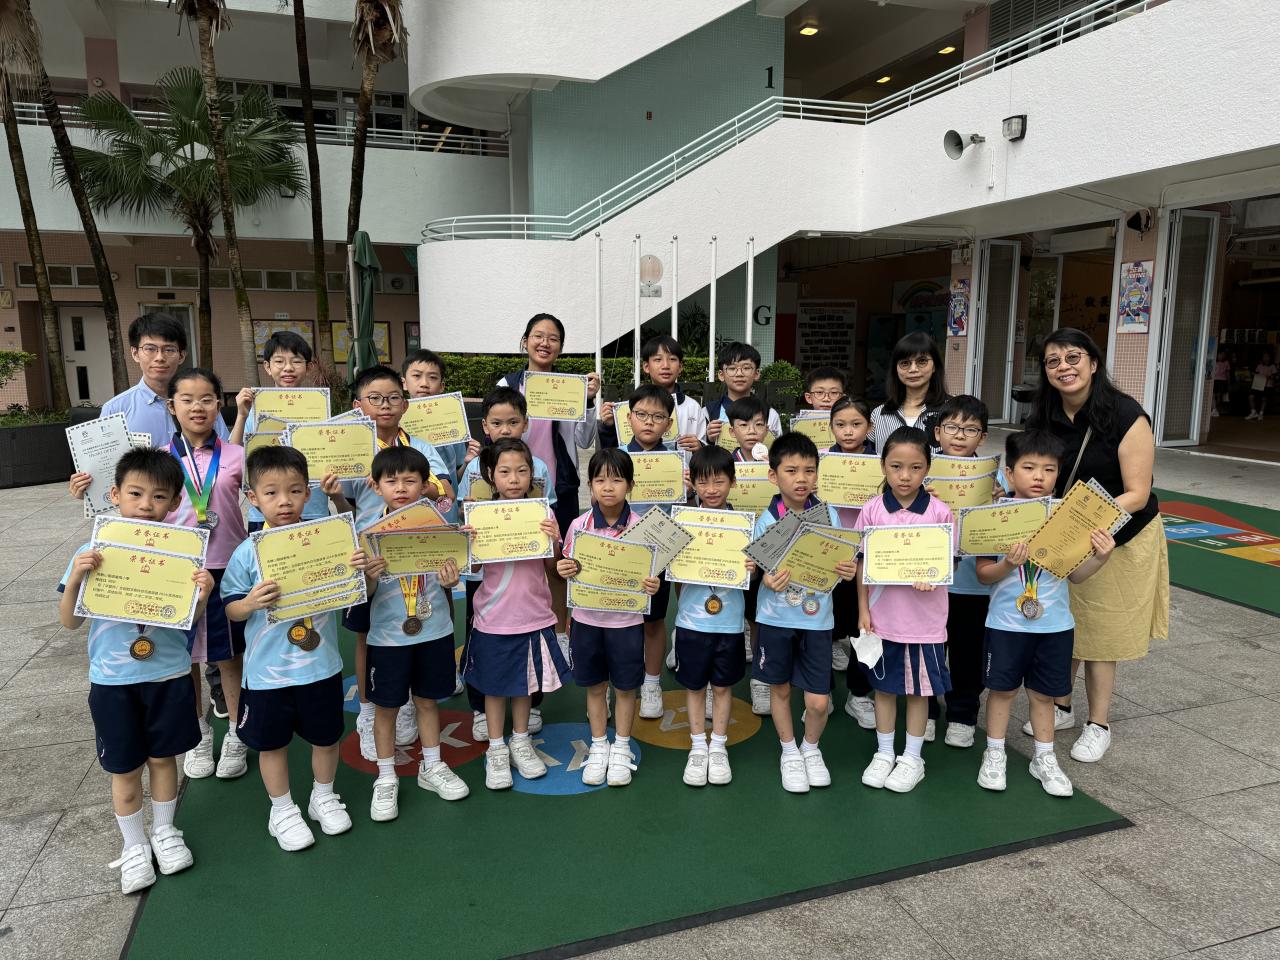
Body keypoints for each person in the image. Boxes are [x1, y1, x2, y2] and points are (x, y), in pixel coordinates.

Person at [58, 449, 215, 894]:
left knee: (164, 759)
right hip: (113, 681)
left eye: (159, 496)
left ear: (175, 503)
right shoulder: (93, 550)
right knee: (125, 769)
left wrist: (203, 594)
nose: (147, 504)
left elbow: (188, 621)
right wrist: (77, 578)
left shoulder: (184, 553)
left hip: (168, 674)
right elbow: (69, 622)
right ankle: (133, 845)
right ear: (115, 494)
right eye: (135, 493)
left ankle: (165, 831)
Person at [1025, 329, 1167, 764]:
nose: (1064, 367)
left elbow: (1137, 493)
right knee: (1063, 622)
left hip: (1119, 537)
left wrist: (1081, 522)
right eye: (1053, 361)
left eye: (1073, 357)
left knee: (1101, 633)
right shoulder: (1043, 414)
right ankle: (1062, 706)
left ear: (1093, 363)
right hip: (1065, 536)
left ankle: (1098, 724)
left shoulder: (1126, 414)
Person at [222, 446, 368, 851]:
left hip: (320, 666)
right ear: (253, 498)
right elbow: (230, 609)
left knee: (326, 737)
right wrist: (250, 603)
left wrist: (358, 573)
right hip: (267, 674)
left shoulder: (327, 540)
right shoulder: (248, 550)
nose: (284, 501)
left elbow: (357, 591)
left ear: (308, 493)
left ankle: (324, 796)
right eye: (271, 493)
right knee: (272, 744)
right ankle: (282, 809)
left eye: (294, 491)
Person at [976, 430, 1115, 797]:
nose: (1039, 476)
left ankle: (1044, 758)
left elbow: (1077, 576)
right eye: (1029, 467)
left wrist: (1101, 557)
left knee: (1043, 696)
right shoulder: (995, 516)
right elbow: (984, 574)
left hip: (1054, 626)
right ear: (1009, 473)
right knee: (1002, 691)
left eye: (1049, 469)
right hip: (1005, 624)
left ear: (1058, 474)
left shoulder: (1069, 519)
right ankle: (994, 753)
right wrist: (1008, 564)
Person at [328, 364, 451, 762]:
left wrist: (417, 482)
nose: (385, 405)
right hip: (370, 558)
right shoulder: (350, 448)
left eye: (393, 397)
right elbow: (346, 509)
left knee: (419, 623)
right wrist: (335, 494)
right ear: (358, 405)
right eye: (375, 398)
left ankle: (410, 703)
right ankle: (369, 709)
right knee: (367, 633)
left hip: (416, 554)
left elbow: (445, 490)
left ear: (405, 402)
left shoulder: (420, 446)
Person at [359, 446, 470, 821]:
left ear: (425, 486)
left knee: (427, 702)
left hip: (434, 631)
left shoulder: (439, 529)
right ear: (377, 487)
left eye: (411, 480)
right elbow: (363, 596)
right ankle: (386, 776)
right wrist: (369, 578)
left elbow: (449, 581)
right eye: (392, 481)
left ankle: (432, 765)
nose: (401, 488)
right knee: (386, 708)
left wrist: (451, 580)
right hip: (388, 638)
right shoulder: (366, 535)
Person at [461, 439, 570, 791]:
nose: (514, 479)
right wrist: (469, 542)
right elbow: (474, 569)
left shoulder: (543, 514)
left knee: (526, 684)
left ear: (532, 474)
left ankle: (521, 741)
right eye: (505, 472)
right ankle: (496, 749)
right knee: (494, 688)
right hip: (493, 617)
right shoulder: (480, 515)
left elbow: (553, 568)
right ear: (490, 475)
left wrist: (555, 541)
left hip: (533, 615)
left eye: (522, 471)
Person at [752, 433, 857, 794]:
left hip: (816, 619)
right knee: (780, 689)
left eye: (809, 471)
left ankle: (811, 748)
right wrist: (767, 577)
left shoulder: (829, 515)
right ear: (773, 475)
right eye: (792, 470)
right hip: (775, 618)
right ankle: (789, 752)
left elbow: (842, 560)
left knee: (818, 700)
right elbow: (760, 571)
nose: (801, 479)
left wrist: (847, 570)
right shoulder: (766, 521)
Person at [855, 426, 954, 794]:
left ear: (928, 468)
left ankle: (912, 758)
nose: (905, 476)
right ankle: (884, 753)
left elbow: (948, 564)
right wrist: (863, 609)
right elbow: (862, 565)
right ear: (883, 466)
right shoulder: (872, 510)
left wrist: (933, 576)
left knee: (918, 692)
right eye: (896, 466)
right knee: (883, 689)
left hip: (924, 623)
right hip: (883, 619)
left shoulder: (940, 512)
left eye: (915, 467)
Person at [456, 386, 556, 742]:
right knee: (484, 644)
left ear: (525, 424)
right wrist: (470, 528)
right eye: (497, 423)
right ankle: (481, 708)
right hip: (488, 584)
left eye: (513, 422)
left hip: (527, 582)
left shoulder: (538, 468)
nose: (505, 429)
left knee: (528, 647)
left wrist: (549, 536)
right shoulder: (474, 468)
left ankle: (530, 707)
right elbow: (463, 513)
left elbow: (545, 515)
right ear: (485, 425)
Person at [556, 449, 661, 787]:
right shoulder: (579, 526)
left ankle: (622, 746)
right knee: (595, 687)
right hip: (587, 621)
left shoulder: (642, 529)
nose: (608, 487)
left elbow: (652, 576)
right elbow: (568, 566)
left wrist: (653, 584)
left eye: (617, 480)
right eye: (600, 480)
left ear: (630, 485)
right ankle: (600, 744)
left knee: (626, 688)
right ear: (589, 485)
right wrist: (564, 568)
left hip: (626, 624)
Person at [497, 314, 601, 643]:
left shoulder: (572, 388)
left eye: (553, 338)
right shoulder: (507, 385)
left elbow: (584, 439)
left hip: (560, 489)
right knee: (516, 562)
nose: (545, 343)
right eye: (538, 336)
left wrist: (588, 401)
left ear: (560, 347)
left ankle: (560, 635)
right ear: (525, 341)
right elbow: (495, 436)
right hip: (514, 490)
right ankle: (517, 630)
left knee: (558, 564)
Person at [672, 446, 754, 787]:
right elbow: (672, 572)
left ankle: (718, 746)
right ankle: (697, 746)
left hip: (730, 622)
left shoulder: (744, 526)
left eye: (719, 481)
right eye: (703, 482)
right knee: (694, 687)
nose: (711, 489)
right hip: (691, 621)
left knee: (722, 687)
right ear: (692, 483)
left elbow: (754, 571)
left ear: (733, 482)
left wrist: (752, 566)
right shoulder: (683, 522)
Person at [930, 394, 991, 749]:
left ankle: (963, 714)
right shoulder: (920, 470)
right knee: (928, 650)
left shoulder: (993, 478)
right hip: (927, 581)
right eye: (952, 427)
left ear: (982, 437)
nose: (959, 435)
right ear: (938, 431)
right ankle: (926, 711)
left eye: (970, 429)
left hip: (973, 585)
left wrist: (1000, 498)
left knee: (968, 654)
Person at [229, 331, 333, 533]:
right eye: (279, 361)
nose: (288, 368)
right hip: (264, 513)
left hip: (313, 509)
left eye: (296, 361)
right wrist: (241, 415)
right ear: (267, 367)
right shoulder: (254, 409)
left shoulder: (319, 409)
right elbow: (232, 454)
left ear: (309, 367)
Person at [619, 384, 681, 719]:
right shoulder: (616, 456)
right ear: (629, 418)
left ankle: (652, 683)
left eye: (657, 417)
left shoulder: (677, 460)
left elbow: (686, 510)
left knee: (654, 622)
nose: (648, 422)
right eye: (641, 414)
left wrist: (689, 488)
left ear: (668, 424)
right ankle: (618, 684)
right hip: (621, 551)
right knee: (619, 623)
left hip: (660, 553)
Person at [100, 312, 230, 448]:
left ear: (181, 356)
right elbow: (106, 460)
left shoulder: (203, 404)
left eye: (169, 350)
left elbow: (225, 451)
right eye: (150, 349)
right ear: (135, 353)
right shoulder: (115, 410)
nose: (160, 358)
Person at [825, 395, 877, 729]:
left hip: (868, 557)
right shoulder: (822, 461)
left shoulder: (882, 463)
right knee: (824, 625)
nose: (848, 431)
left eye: (856, 424)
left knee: (864, 627)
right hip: (829, 556)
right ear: (830, 427)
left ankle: (859, 695)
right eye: (840, 425)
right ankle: (823, 689)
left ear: (869, 427)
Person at [723, 395, 774, 716]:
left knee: (757, 615)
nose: (752, 431)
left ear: (768, 428)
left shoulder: (775, 464)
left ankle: (760, 679)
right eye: (744, 425)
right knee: (726, 609)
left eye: (758, 424)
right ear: (732, 431)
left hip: (765, 546)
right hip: (730, 547)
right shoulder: (724, 463)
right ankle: (716, 681)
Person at [402, 348, 481, 520]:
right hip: (409, 515)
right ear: (404, 383)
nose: (424, 383)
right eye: (416, 376)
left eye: (432, 377)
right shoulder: (396, 423)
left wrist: (466, 462)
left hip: (447, 514)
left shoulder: (451, 424)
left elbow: (455, 476)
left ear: (442, 386)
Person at [600, 335, 707, 451]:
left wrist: (700, 447)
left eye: (672, 359)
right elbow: (614, 453)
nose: (665, 366)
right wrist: (609, 426)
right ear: (646, 366)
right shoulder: (631, 408)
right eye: (658, 359)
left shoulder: (692, 407)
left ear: (680, 367)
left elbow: (704, 448)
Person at [869, 331, 949, 449]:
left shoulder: (952, 411)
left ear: (934, 366)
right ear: (896, 369)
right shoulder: (879, 414)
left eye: (922, 361)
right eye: (905, 363)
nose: (913, 369)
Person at [704, 342, 783, 445]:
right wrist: (709, 439)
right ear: (721, 375)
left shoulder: (769, 414)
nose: (739, 374)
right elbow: (698, 450)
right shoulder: (708, 412)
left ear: (756, 373)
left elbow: (778, 450)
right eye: (732, 368)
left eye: (746, 368)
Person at [1247, 350, 1277, 421]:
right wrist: (1253, 374)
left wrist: (1268, 376)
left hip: (1268, 386)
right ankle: (1253, 412)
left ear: (1270, 358)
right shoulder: (1259, 366)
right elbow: (1256, 374)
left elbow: (1275, 376)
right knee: (1250, 397)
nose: (1266, 358)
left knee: (1264, 399)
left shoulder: (1272, 366)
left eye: (1267, 357)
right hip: (1258, 384)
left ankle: (1261, 413)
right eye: (1264, 357)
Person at [1212, 348, 1230, 417]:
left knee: (1219, 396)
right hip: (1215, 380)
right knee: (1213, 394)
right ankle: (1214, 409)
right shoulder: (1214, 361)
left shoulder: (1226, 362)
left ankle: (1216, 409)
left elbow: (1227, 373)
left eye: (1223, 355)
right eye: (1220, 354)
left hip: (1222, 381)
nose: (1221, 356)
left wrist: (1228, 382)